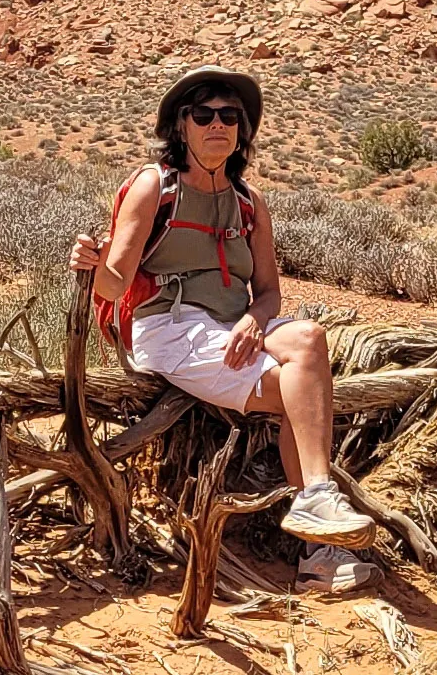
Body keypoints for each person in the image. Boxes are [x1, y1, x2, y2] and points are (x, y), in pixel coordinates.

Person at [70, 66, 378, 585]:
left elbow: (269, 291)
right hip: (170, 328)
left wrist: (256, 323)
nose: (218, 123)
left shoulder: (248, 202)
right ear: (181, 127)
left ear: (242, 130)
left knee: (309, 340)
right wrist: (91, 264)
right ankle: (318, 546)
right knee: (298, 394)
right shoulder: (155, 186)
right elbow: (116, 282)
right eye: (204, 114)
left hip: (233, 326)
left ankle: (316, 509)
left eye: (229, 116)